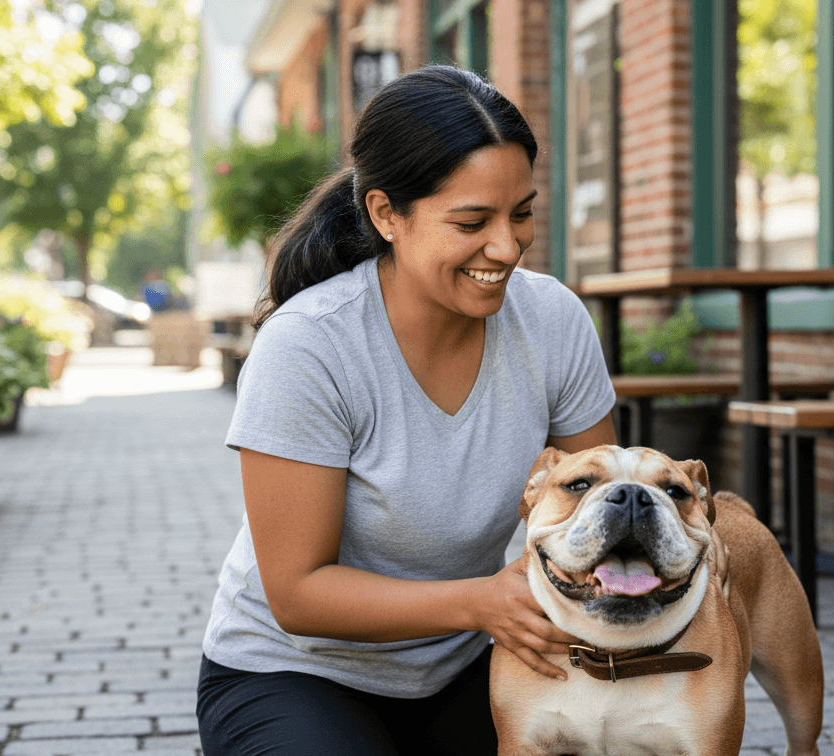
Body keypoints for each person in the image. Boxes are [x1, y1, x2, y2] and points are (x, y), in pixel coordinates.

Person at [195, 65, 618, 756]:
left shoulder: (552, 321)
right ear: (387, 214)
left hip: (468, 663)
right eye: (472, 222)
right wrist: (481, 601)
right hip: (293, 673)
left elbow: (594, 511)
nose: (507, 248)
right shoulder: (310, 346)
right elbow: (298, 594)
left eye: (521, 213)